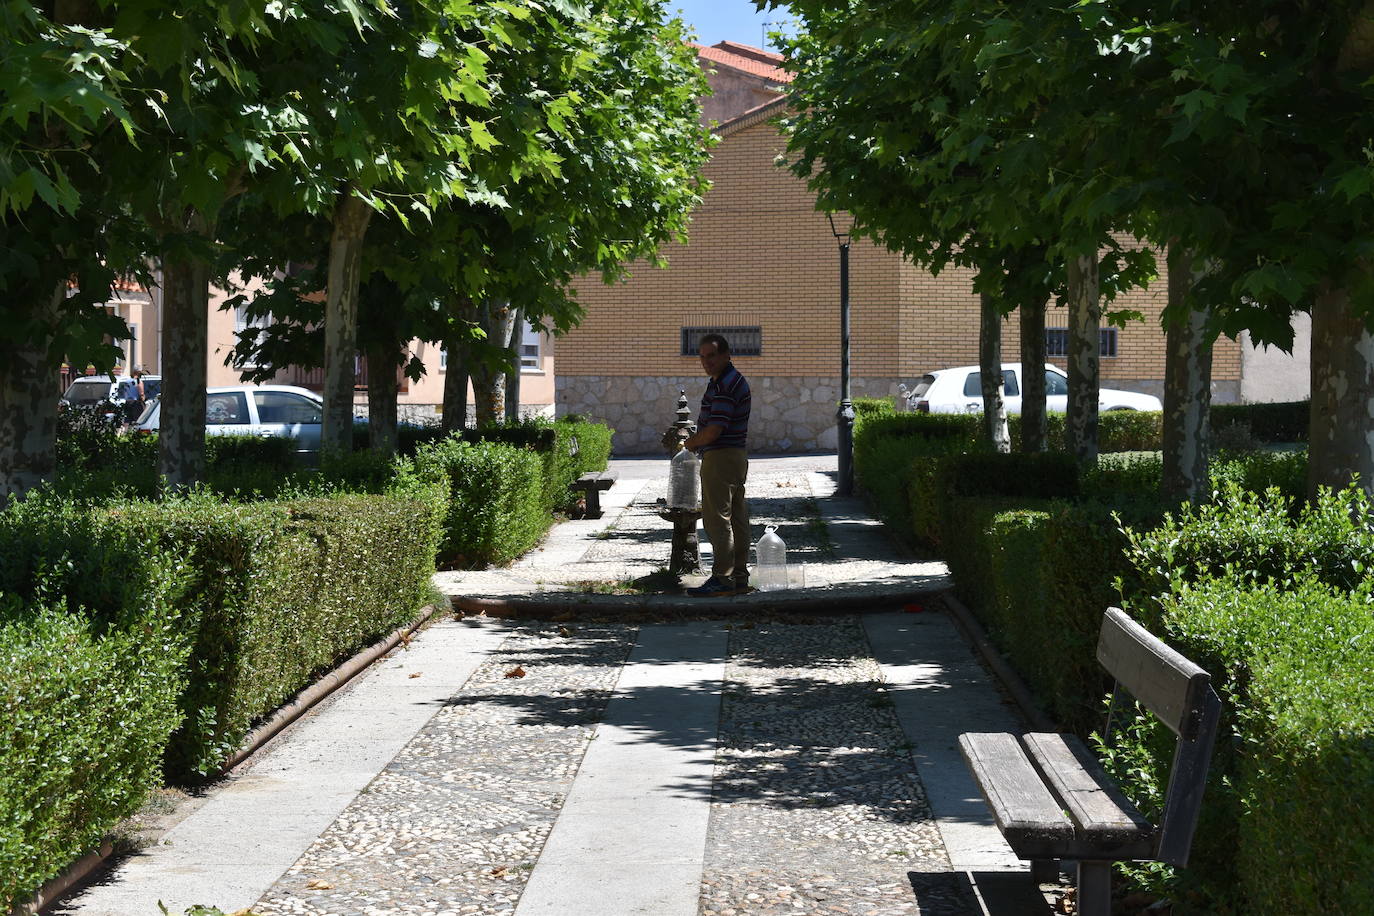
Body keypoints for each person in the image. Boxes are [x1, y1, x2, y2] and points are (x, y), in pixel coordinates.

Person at [683, 333, 751, 597]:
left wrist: (689, 444)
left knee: (716, 518)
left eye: (711, 355)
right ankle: (740, 577)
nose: (706, 361)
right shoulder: (726, 381)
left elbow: (713, 431)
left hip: (721, 456)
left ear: (726, 355)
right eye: (701, 356)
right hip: (734, 455)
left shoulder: (725, 384)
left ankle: (723, 578)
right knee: (736, 517)